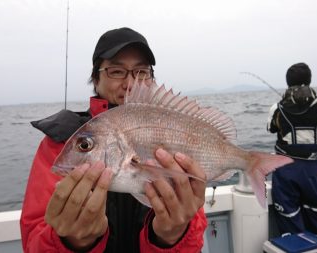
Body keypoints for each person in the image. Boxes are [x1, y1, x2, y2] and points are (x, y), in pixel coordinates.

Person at [20, 27, 207, 253]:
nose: (130, 83)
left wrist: (172, 236)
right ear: (95, 80)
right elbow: (34, 241)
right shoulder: (61, 145)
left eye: (141, 72)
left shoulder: (171, 132)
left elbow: (193, 240)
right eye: (117, 71)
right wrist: (71, 242)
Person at [267, 62, 317, 240]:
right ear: (309, 80)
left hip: (285, 169)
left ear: (288, 82)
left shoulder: (277, 108)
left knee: (288, 215)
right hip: (314, 171)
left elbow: (270, 128)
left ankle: (296, 245)